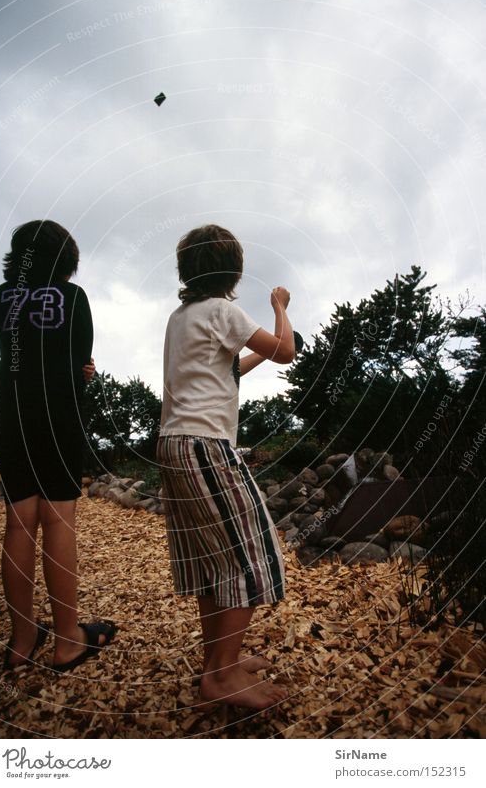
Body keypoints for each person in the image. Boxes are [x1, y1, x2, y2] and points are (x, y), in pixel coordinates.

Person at [157, 224, 295, 710]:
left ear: (187, 270)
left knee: (211, 560)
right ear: (232, 271)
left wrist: (250, 351)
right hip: (205, 446)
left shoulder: (182, 317)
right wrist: (280, 306)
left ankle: (220, 662)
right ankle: (219, 679)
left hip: (173, 444)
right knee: (248, 556)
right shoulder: (223, 311)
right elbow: (286, 352)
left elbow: (228, 368)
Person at [0, 220, 116, 671]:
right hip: (57, 413)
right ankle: (68, 641)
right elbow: (78, 359)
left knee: (18, 525)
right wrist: (83, 370)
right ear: (67, 258)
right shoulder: (73, 298)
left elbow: (16, 350)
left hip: (11, 413)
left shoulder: (3, 296)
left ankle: (22, 642)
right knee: (58, 520)